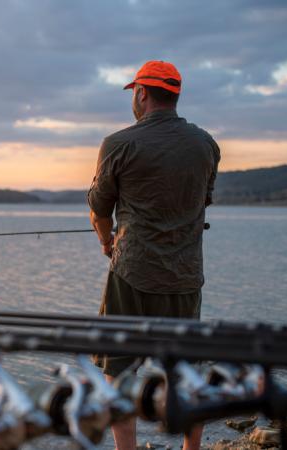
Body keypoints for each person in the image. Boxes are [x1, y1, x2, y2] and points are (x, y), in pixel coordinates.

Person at [87, 60, 220, 450]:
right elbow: (203, 202)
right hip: (185, 277)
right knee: (187, 372)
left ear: (142, 93)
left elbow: (99, 208)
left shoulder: (118, 143)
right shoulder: (206, 145)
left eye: (134, 93)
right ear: (174, 95)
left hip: (131, 272)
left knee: (119, 370)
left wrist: (105, 239)